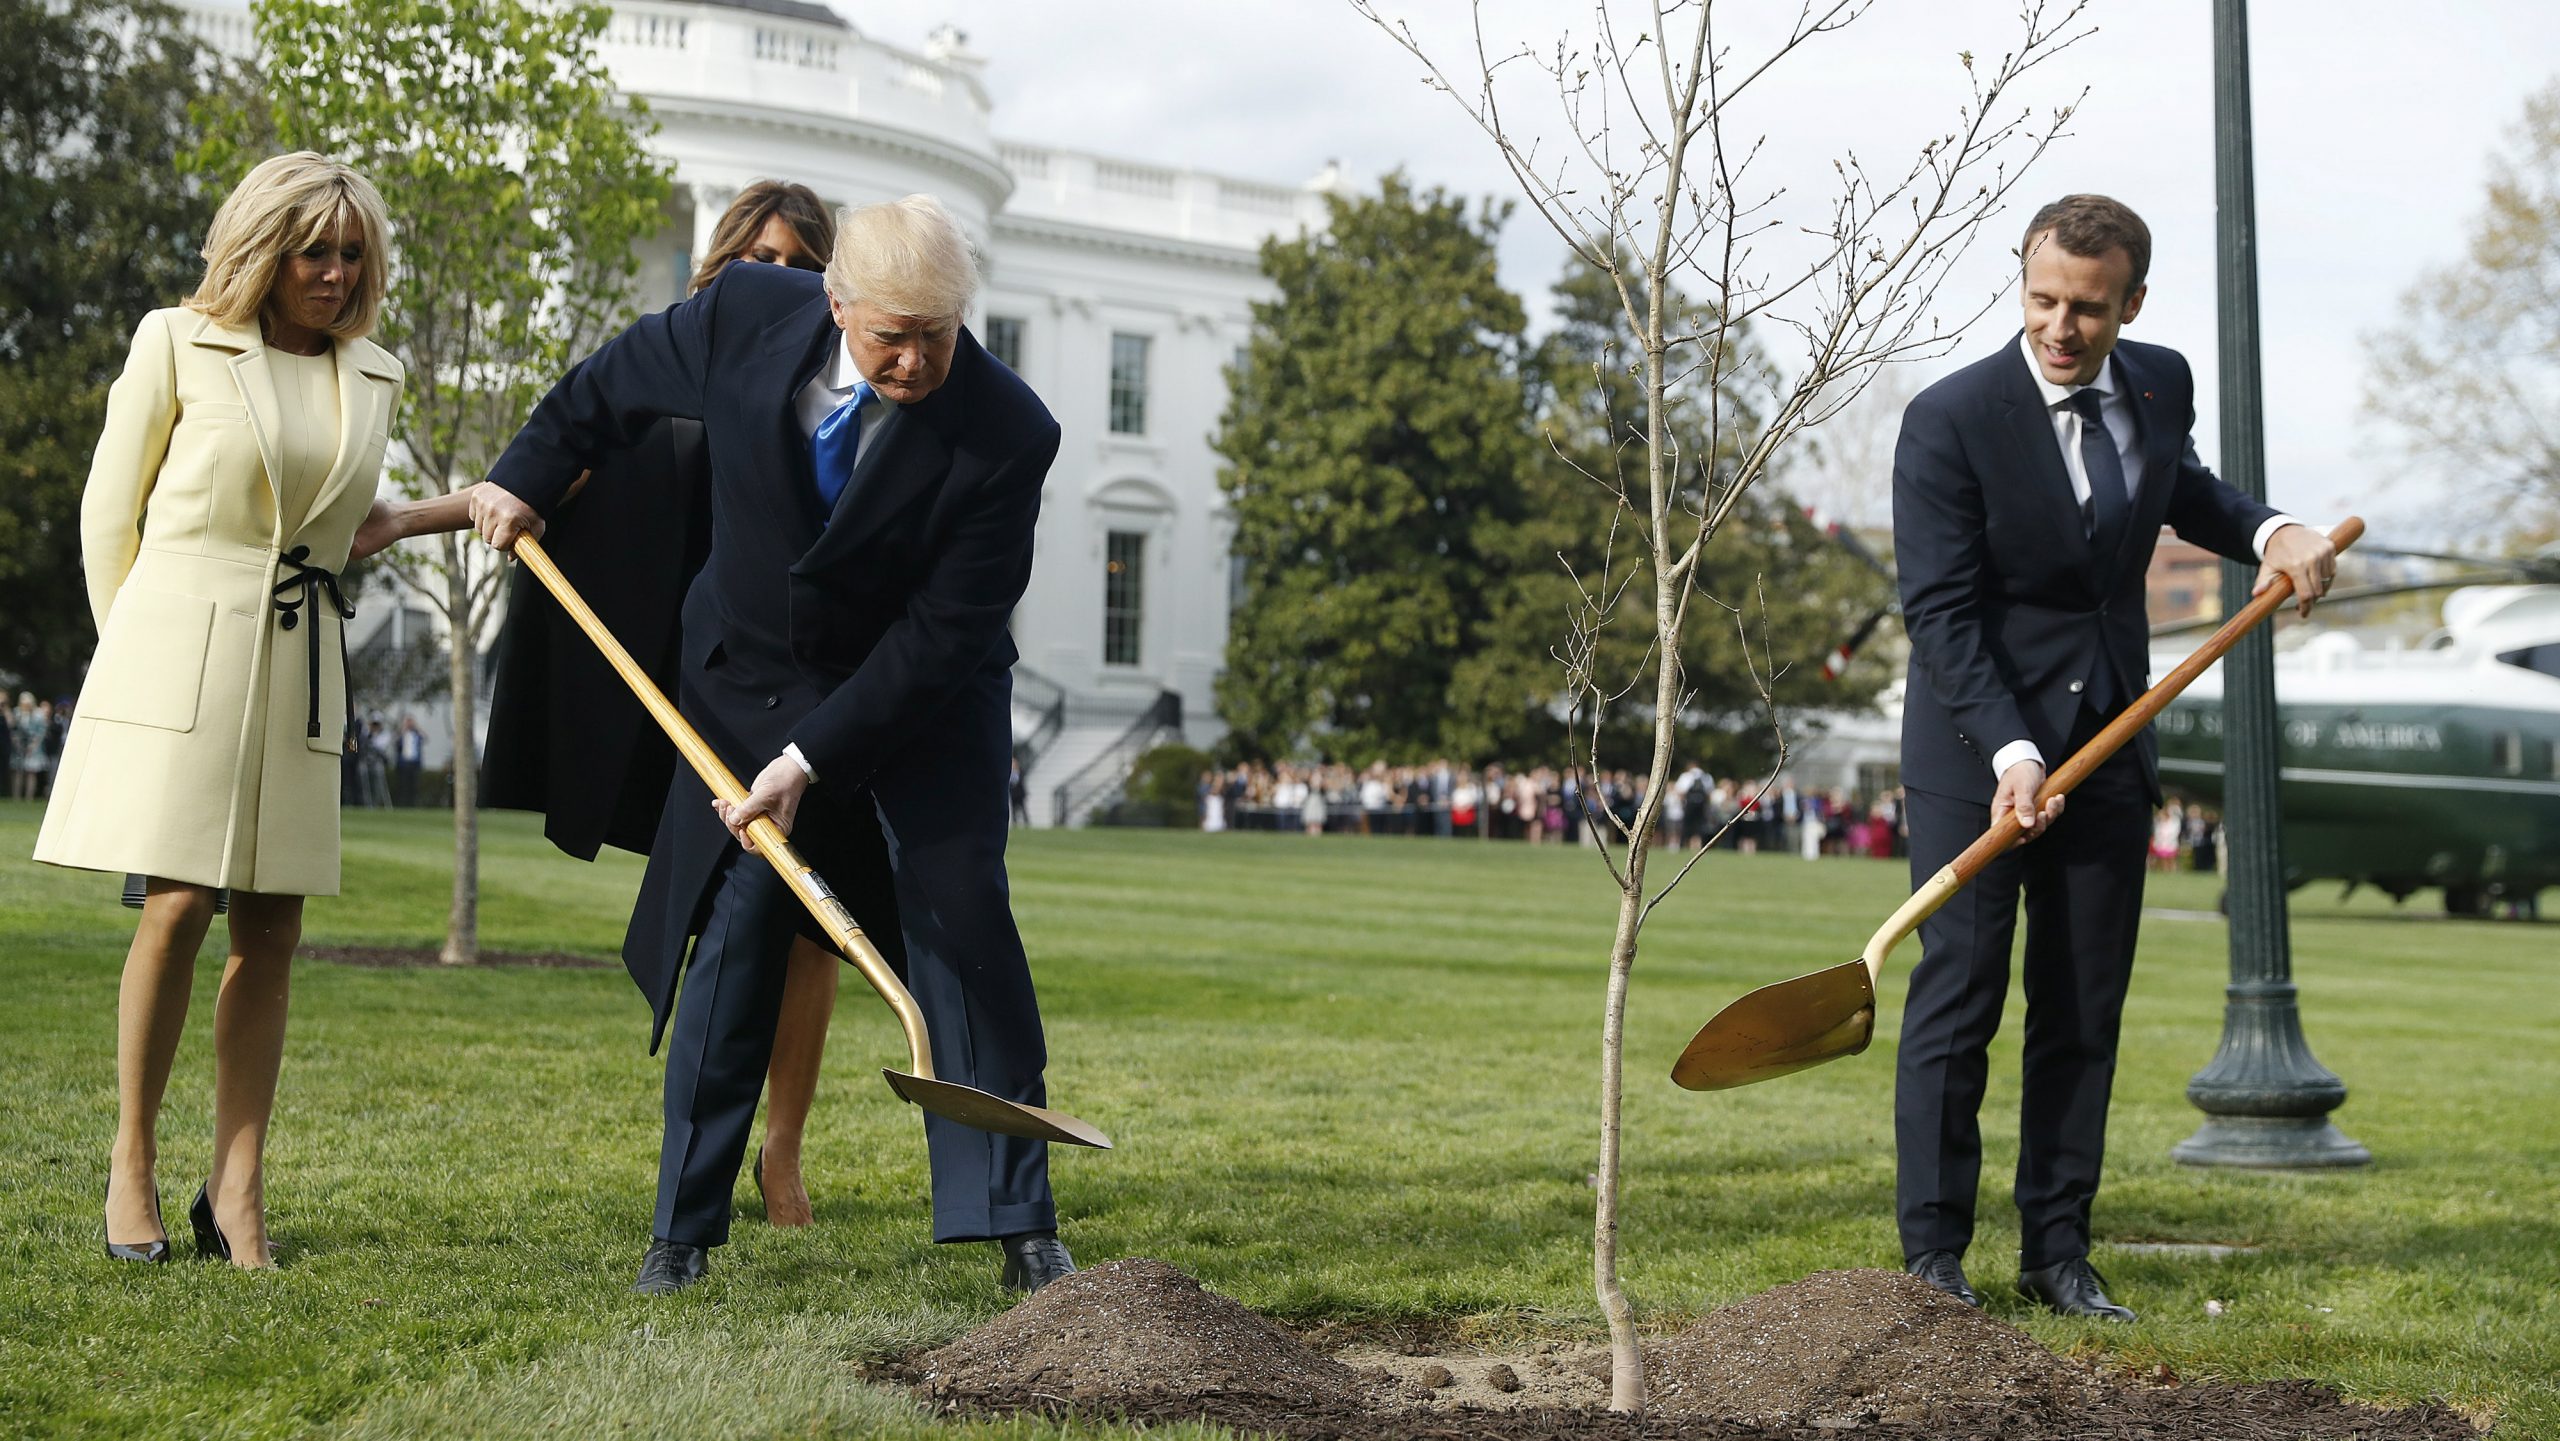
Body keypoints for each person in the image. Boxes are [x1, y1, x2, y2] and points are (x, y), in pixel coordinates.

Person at [465, 193, 1074, 1298]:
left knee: (960, 916)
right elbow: (606, 386)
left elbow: (942, 637)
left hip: (924, 702)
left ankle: (1017, 1222)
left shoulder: (1007, 430)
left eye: (938, 334)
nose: (916, 360)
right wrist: (524, 473)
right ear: (835, 301)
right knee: (738, 930)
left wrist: (812, 759)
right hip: (747, 679)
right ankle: (680, 1231)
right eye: (891, 334)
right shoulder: (743, 310)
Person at [1890, 194, 2336, 1322]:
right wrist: (2010, 748)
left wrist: (2268, 529)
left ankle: (2058, 1254)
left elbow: (2178, 488)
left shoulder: (2157, 380)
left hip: (2108, 743)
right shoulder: (1948, 421)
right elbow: (1941, 619)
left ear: (2130, 303)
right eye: (2041, 298)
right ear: (2022, 282)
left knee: (2081, 1012)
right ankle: (1934, 1262)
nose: (2059, 327)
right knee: (1960, 1001)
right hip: (1972, 752)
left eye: (2087, 308)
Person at [32, 152, 405, 1269]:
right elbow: (111, 512)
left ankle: (236, 1189)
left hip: (300, 664)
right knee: (178, 905)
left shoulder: (373, 374)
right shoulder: (174, 341)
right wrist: (137, 663)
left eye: (350, 254)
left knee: (275, 929)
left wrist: (458, 503)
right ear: (261, 248)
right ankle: (133, 1160)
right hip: (175, 659)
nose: (333, 274)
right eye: (312, 252)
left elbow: (340, 526)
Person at [468, 179, 847, 1230]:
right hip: (702, 676)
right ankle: (702, 1163)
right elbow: (560, 454)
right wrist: (460, 499)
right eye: (757, 259)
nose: (776, 281)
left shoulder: (845, 391)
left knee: (811, 919)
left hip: (811, 677)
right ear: (719, 265)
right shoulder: (670, 369)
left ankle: (782, 1151)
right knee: (731, 908)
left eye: (799, 264)